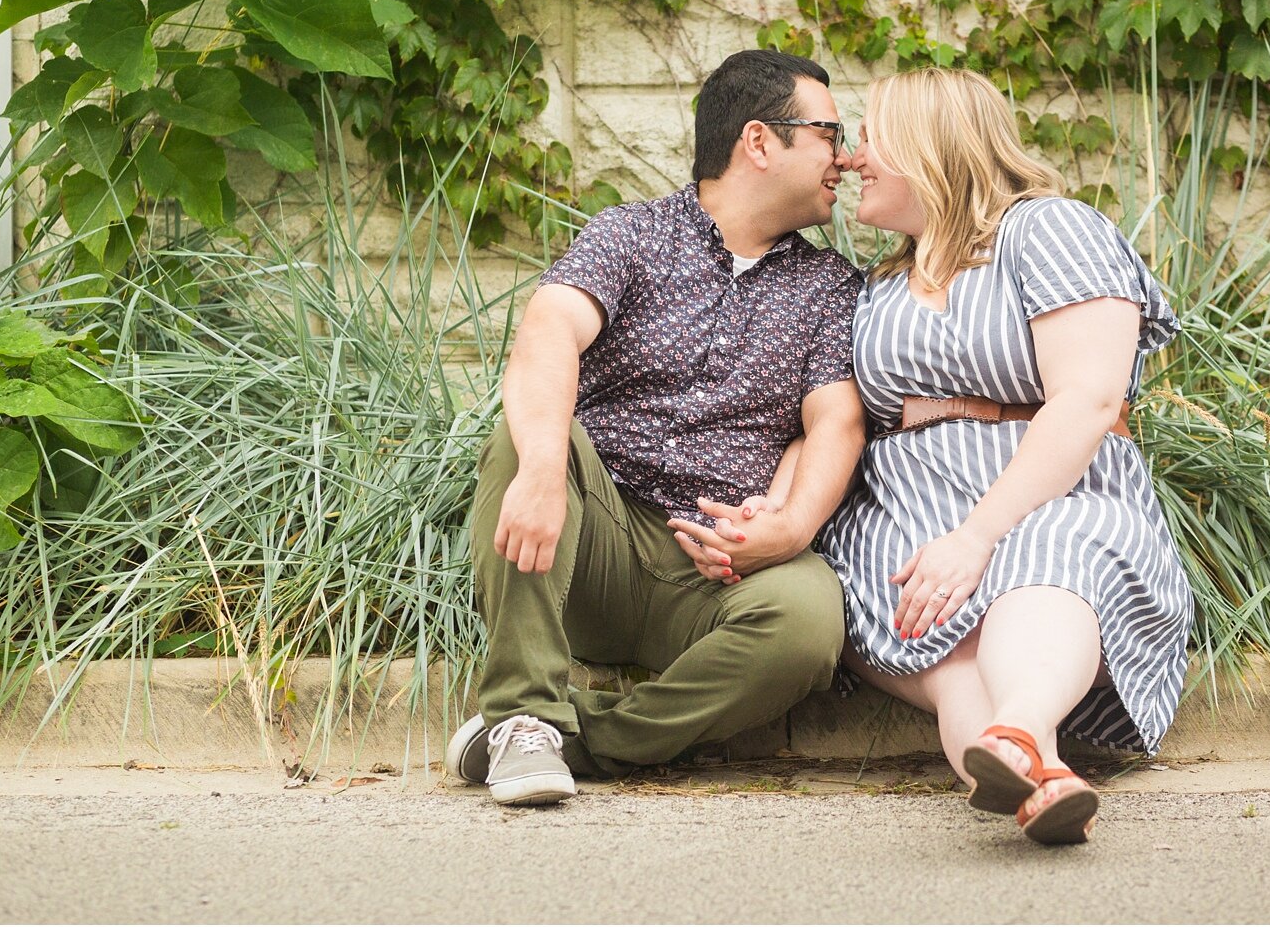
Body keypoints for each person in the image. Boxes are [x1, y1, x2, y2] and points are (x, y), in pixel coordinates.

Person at [445, 49, 867, 806]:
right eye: (829, 134)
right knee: (534, 434)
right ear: (760, 142)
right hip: (586, 547)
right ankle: (524, 713)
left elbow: (833, 420)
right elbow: (548, 330)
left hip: (715, 566)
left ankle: (577, 737)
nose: (846, 157)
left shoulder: (829, 285)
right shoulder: (632, 236)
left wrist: (792, 525)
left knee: (806, 623)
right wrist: (544, 472)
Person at [819, 67, 1194, 845]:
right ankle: (1040, 780)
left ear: (928, 145)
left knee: (1046, 556)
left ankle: (1021, 728)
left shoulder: (1048, 230)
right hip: (906, 522)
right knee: (950, 658)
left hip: (1051, 503)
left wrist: (976, 536)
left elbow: (1089, 401)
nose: (853, 158)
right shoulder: (878, 282)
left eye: (867, 138)